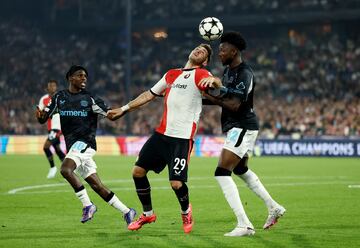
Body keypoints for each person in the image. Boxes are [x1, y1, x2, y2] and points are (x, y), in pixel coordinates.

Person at [108, 44, 219, 234]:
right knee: (137, 172)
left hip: (182, 138)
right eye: (198, 47)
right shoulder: (171, 74)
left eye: (204, 52)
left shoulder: (201, 74)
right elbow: (148, 95)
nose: (199, 50)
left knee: (176, 183)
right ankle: (148, 213)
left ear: (206, 61)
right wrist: (123, 109)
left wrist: (214, 81)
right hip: (161, 135)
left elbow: (214, 81)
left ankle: (186, 211)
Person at [200, 32, 286, 237]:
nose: (219, 53)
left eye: (222, 50)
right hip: (236, 127)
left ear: (234, 51)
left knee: (221, 172)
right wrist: (199, 96)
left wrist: (215, 93)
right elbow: (222, 97)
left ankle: (244, 224)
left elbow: (234, 104)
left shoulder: (244, 73)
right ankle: (273, 207)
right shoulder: (229, 71)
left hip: (242, 126)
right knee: (240, 169)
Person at [36, 65, 136, 226]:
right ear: (70, 78)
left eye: (85, 76)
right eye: (80, 75)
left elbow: (110, 115)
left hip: (85, 143)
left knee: (65, 169)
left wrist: (127, 108)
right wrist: (40, 117)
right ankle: (127, 211)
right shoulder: (59, 97)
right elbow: (43, 118)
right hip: (73, 147)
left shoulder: (90, 98)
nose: (84, 78)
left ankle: (88, 205)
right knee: (97, 186)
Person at [37, 80, 65, 179]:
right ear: (47, 88)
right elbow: (40, 113)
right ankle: (69, 168)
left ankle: (53, 167)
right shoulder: (44, 99)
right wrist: (40, 114)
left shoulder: (61, 98)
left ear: (56, 87)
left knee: (46, 147)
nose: (53, 88)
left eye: (54, 86)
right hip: (50, 128)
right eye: (50, 86)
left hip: (58, 128)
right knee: (57, 149)